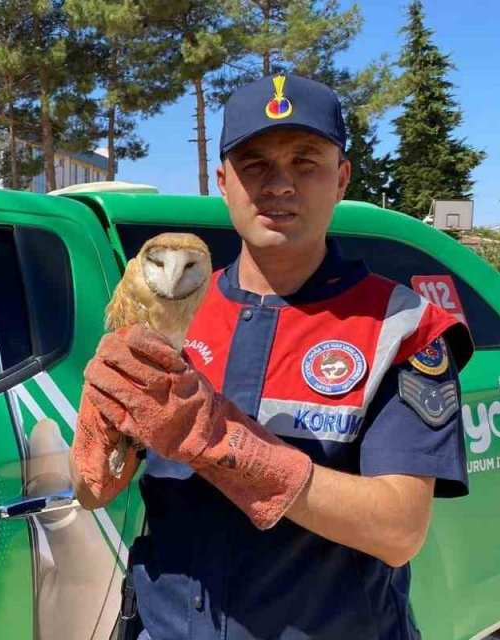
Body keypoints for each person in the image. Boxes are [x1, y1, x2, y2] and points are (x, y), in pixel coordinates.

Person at [70, 73, 474, 640]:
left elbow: (398, 530)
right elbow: (90, 491)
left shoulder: (401, 325)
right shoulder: (172, 309)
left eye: (305, 161)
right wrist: (95, 445)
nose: (279, 184)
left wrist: (223, 442)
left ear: (341, 179)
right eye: (254, 164)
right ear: (223, 182)